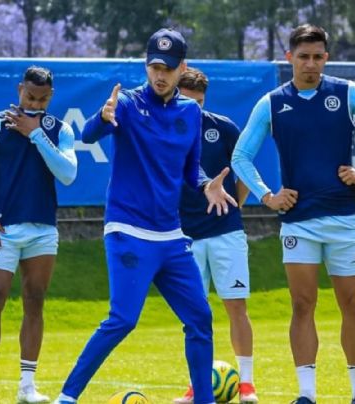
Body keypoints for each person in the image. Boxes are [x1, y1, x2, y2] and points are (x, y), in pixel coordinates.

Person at [52, 28, 236, 404]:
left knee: (200, 319)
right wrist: (103, 118)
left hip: (171, 237)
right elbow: (87, 134)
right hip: (127, 231)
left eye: (168, 67)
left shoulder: (190, 113)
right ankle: (66, 397)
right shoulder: (127, 103)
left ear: (182, 67)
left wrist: (205, 186)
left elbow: (190, 169)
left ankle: (204, 400)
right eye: (154, 65)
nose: (160, 74)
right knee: (123, 319)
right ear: (146, 65)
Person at [231, 24, 355, 404]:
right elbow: (240, 156)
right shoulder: (271, 103)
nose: (311, 64)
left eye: (318, 57)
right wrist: (267, 196)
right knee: (302, 304)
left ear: (326, 57)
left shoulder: (345, 94)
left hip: (344, 219)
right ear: (289, 57)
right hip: (298, 222)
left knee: (352, 304)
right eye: (303, 57)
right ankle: (306, 395)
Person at [0, 66, 78, 404]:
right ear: (19, 90)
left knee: (35, 299)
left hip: (43, 229)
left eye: (42, 99)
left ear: (51, 97)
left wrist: (37, 133)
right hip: (3, 229)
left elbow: (68, 174)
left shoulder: (61, 130)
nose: (35, 104)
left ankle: (27, 387)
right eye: (30, 97)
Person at [174, 67, 258, 404]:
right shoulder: (163, 130)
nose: (192, 109)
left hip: (226, 234)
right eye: (186, 101)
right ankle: (198, 386)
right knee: (194, 315)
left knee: (236, 307)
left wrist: (233, 206)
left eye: (199, 103)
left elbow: (246, 170)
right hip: (184, 236)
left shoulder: (223, 127)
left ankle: (247, 385)